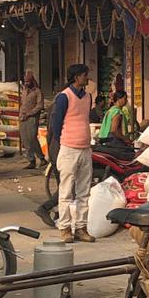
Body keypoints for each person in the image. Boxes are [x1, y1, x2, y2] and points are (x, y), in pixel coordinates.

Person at [48, 63, 94, 243]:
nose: (87, 78)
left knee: (84, 191)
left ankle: (81, 228)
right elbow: (56, 124)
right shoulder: (63, 97)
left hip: (85, 148)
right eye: (84, 75)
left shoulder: (88, 96)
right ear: (76, 77)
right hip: (69, 148)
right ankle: (65, 228)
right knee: (66, 191)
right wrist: (62, 143)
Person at [96, 89, 136, 163]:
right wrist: (125, 139)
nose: (126, 101)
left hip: (105, 140)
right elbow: (114, 130)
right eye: (124, 98)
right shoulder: (117, 112)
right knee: (132, 156)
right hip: (113, 141)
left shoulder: (110, 111)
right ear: (118, 99)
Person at [18, 71, 44, 169]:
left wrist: (29, 114)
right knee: (25, 139)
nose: (27, 83)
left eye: (28, 82)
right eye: (25, 82)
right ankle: (31, 160)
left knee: (32, 138)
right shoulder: (24, 91)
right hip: (22, 118)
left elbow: (40, 105)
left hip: (32, 117)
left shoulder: (37, 91)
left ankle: (41, 158)